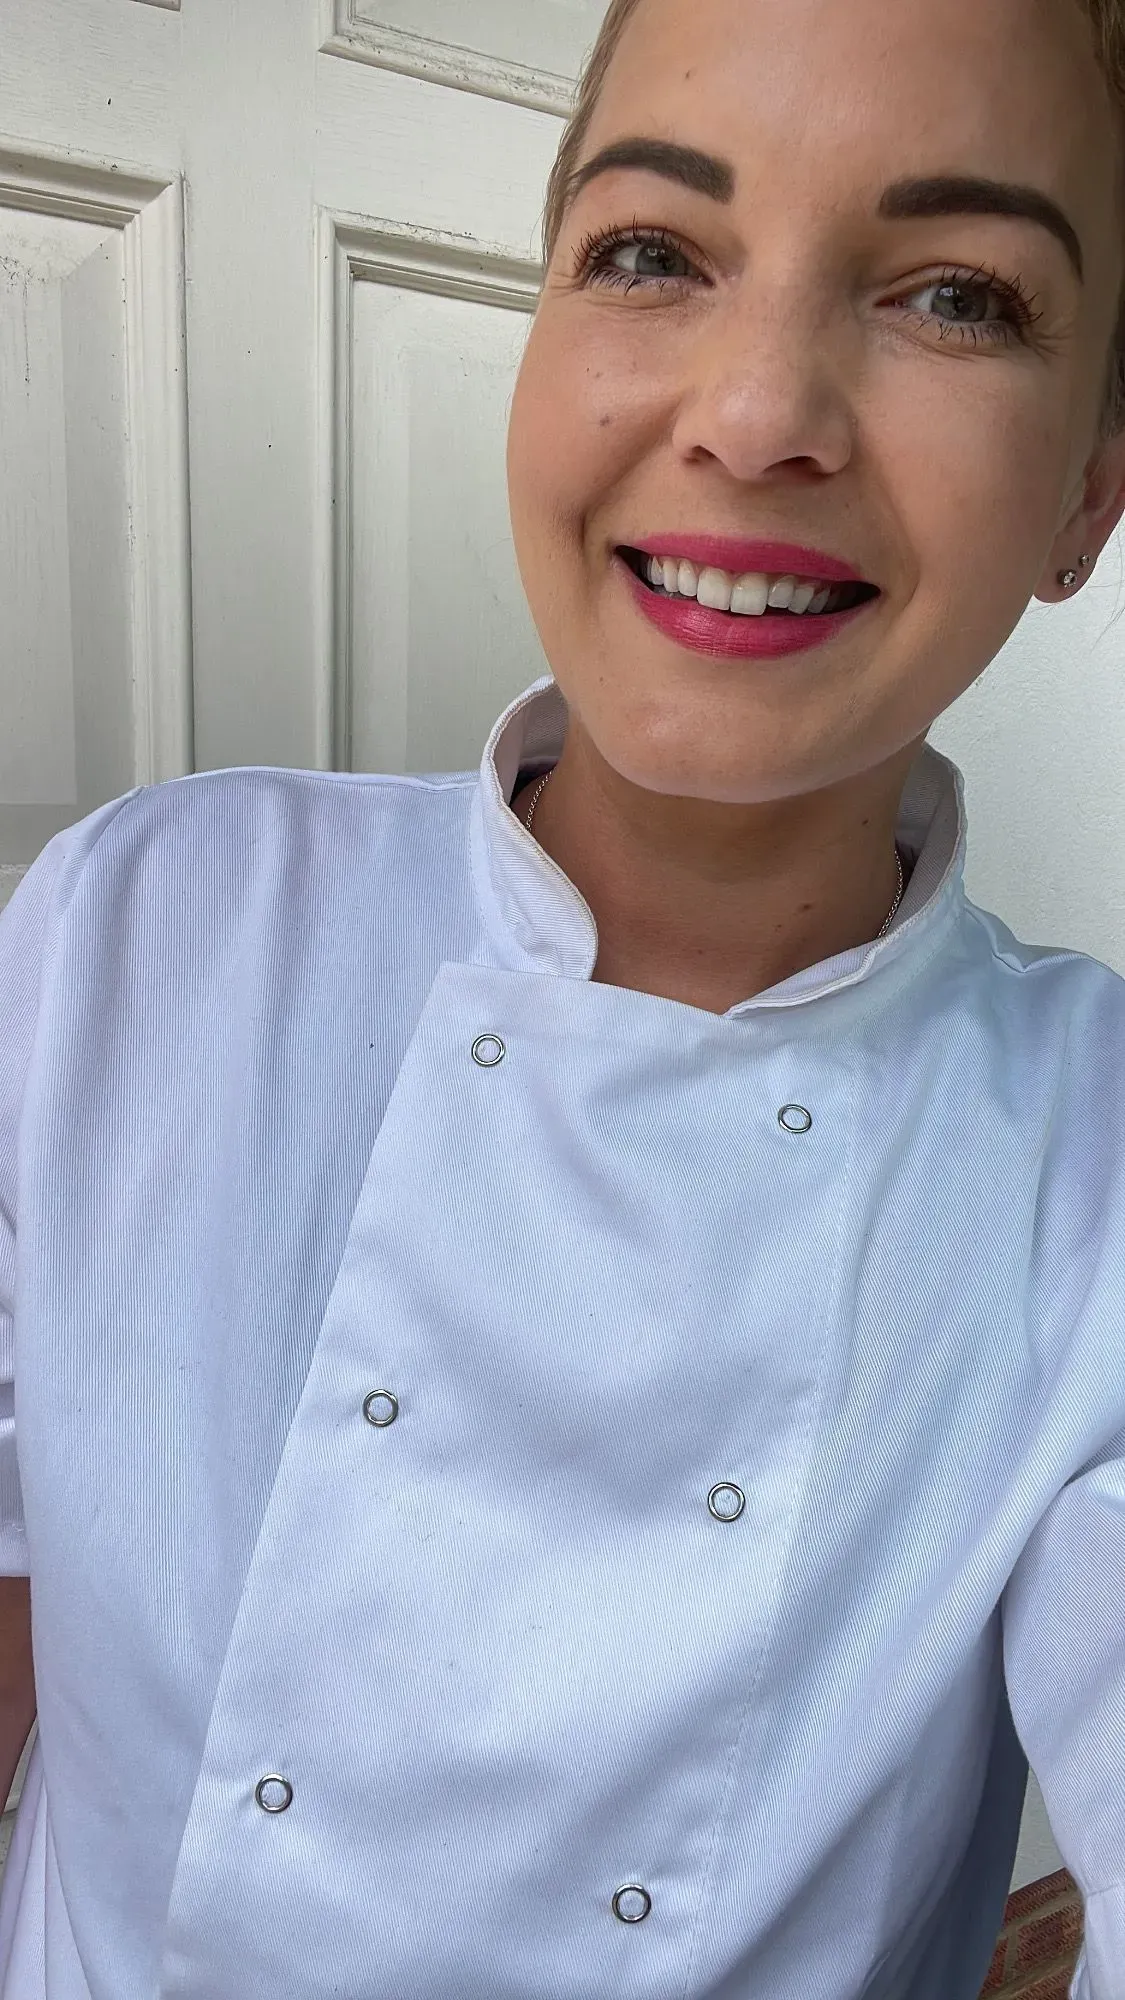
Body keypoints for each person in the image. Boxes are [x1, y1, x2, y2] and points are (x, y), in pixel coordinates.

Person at [1, 0, 1124, 1993]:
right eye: (651, 250)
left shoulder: (1089, 1172)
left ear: (1090, 495)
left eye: (956, 294)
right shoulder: (138, 922)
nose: (756, 413)